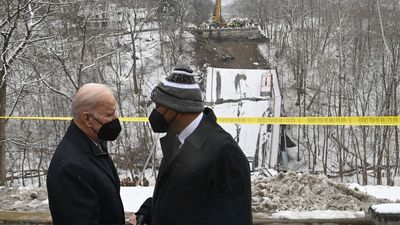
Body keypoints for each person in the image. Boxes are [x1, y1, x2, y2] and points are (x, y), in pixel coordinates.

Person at [132, 65, 253, 225]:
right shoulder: (178, 140)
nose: (155, 113)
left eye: (158, 106)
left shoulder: (224, 152)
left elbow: (234, 217)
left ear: (176, 106)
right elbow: (182, 197)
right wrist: (149, 210)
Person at [47, 83, 128, 225]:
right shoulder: (71, 168)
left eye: (115, 112)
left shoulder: (95, 144)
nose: (115, 119)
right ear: (87, 119)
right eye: (109, 114)